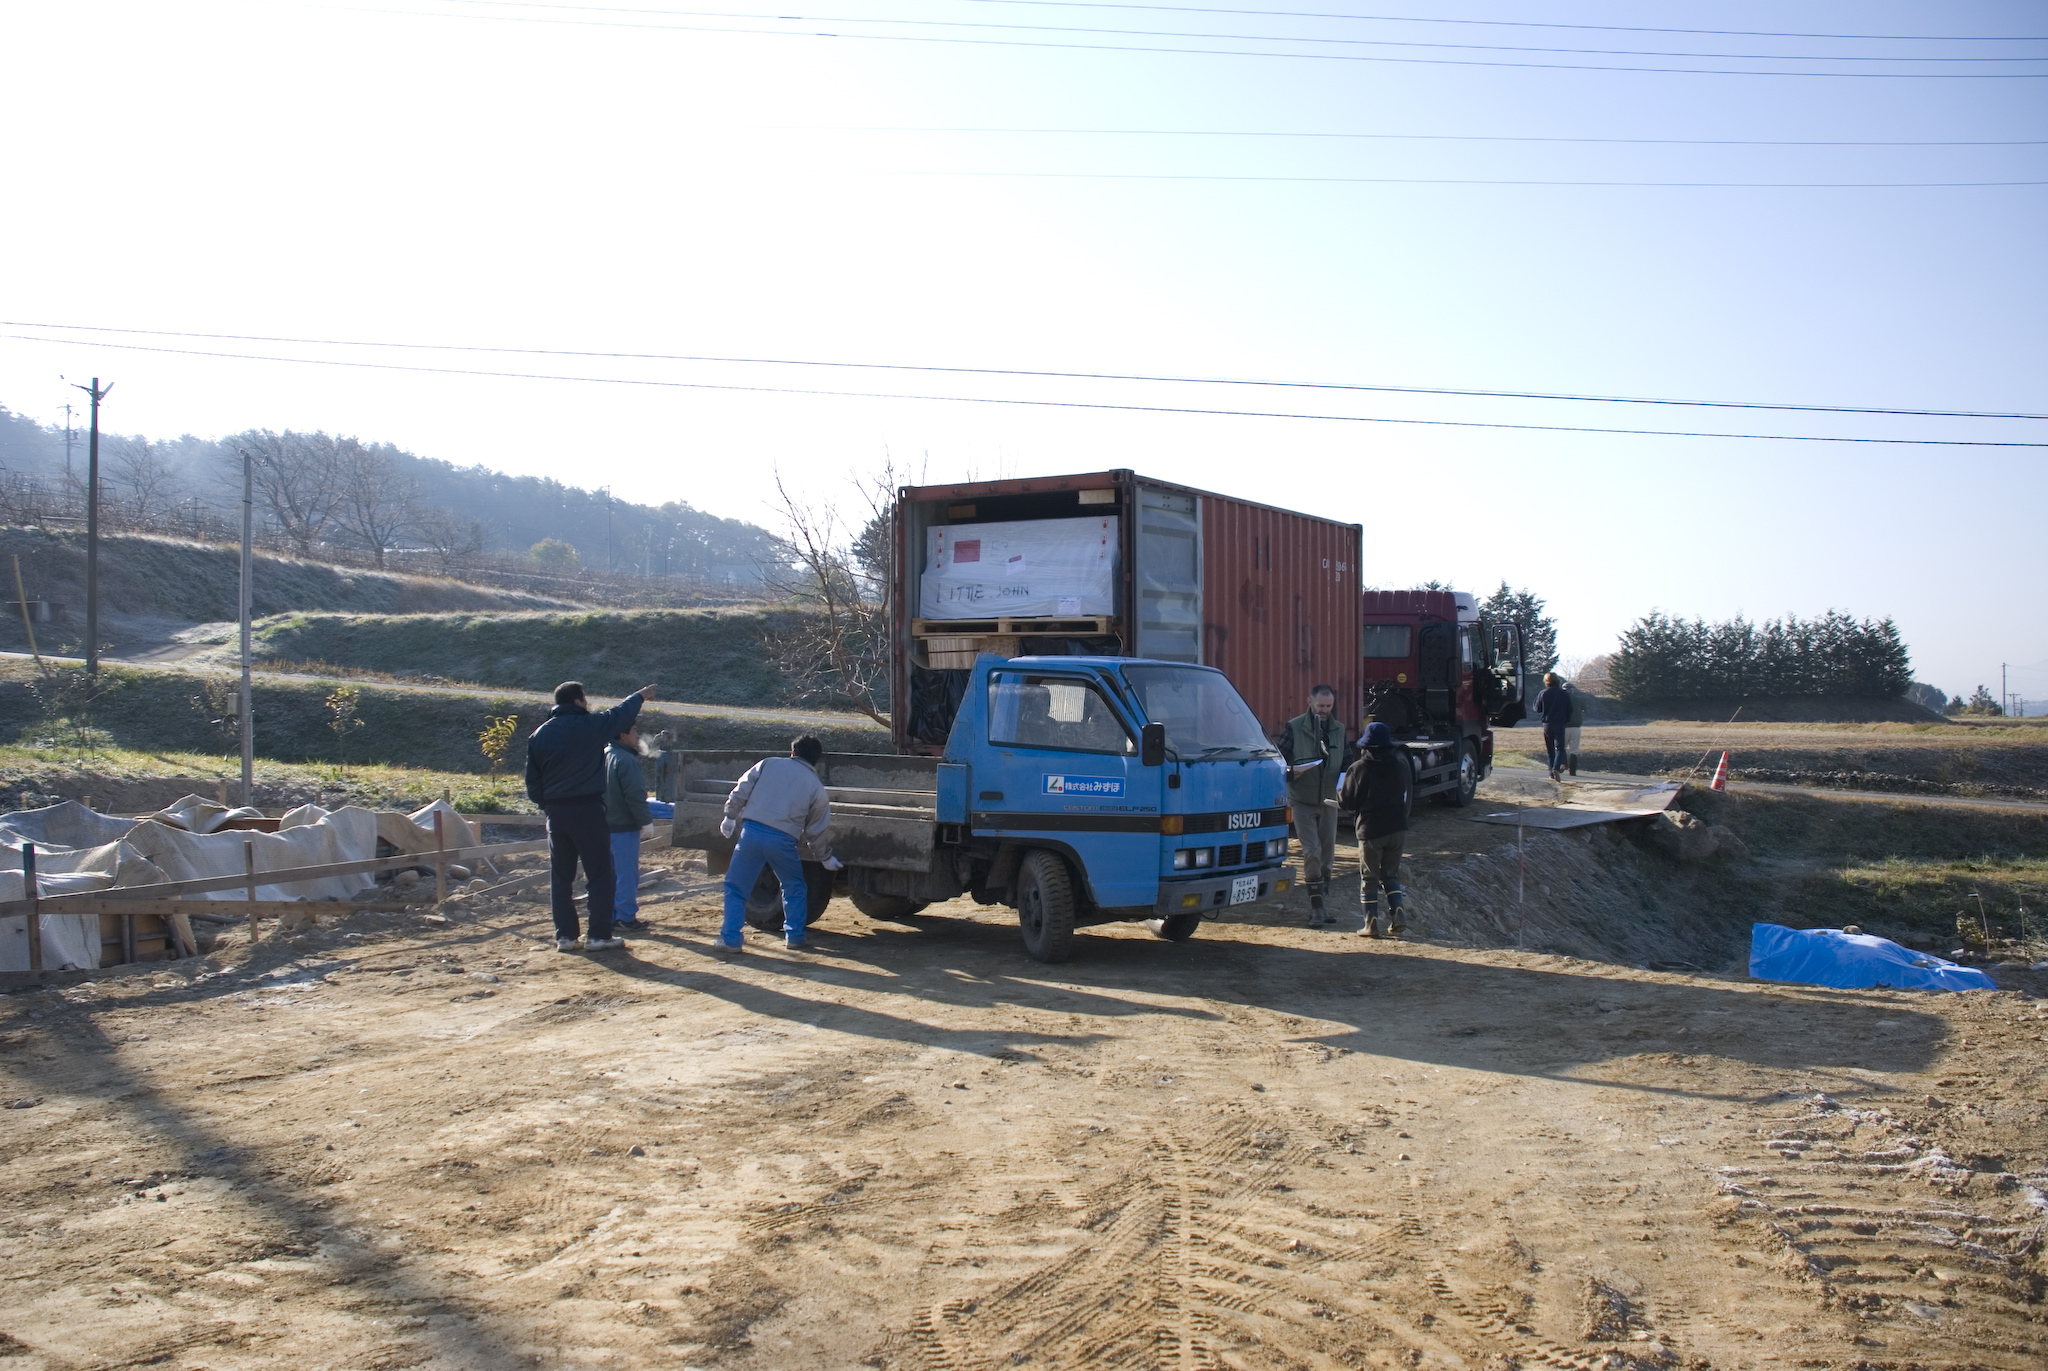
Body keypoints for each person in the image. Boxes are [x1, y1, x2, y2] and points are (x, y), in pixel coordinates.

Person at [525, 680, 656, 953]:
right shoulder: (590, 726)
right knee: (599, 874)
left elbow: (533, 785)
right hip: (588, 809)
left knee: (561, 876)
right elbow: (620, 714)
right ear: (578, 701)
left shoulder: (539, 735)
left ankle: (565, 936)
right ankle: (598, 935)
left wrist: (549, 806)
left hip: (557, 813)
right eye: (585, 699)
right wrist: (640, 696)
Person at [719, 735, 843, 951]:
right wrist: (825, 857)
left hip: (751, 834)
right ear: (815, 760)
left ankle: (730, 940)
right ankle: (794, 937)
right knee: (794, 887)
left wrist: (730, 815)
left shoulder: (768, 764)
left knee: (736, 887)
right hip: (783, 841)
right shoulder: (816, 787)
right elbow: (816, 830)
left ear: (793, 752)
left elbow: (742, 788)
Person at [1275, 684, 1352, 928]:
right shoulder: (1294, 727)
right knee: (1311, 851)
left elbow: (1347, 764)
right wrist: (1290, 772)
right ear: (1310, 701)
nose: (1324, 710)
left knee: (1327, 854)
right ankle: (1316, 909)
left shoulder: (1339, 730)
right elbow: (1278, 760)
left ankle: (1322, 904)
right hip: (1302, 799)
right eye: (1320, 705)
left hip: (1329, 800)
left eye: (1329, 706)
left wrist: (1344, 788)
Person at [1341, 722, 1413, 938]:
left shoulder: (1358, 768)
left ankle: (1370, 924)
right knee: (1390, 875)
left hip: (1371, 830)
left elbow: (1347, 802)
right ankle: (1398, 915)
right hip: (1397, 827)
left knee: (1369, 878)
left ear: (1366, 747)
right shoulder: (1399, 766)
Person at [605, 722, 654, 932]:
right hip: (624, 827)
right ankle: (625, 917)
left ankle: (609, 915)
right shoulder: (626, 760)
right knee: (626, 874)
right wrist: (645, 821)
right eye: (633, 731)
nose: (637, 735)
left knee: (609, 874)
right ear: (623, 735)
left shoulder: (604, 755)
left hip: (604, 825)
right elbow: (634, 795)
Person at [1532, 671, 1573, 782]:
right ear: (1557, 681)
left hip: (1547, 724)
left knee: (1550, 750)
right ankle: (1556, 767)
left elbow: (1537, 708)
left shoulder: (1543, 693)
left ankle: (1551, 773)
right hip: (1559, 723)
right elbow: (1570, 709)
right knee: (1560, 748)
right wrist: (1566, 720)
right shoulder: (1564, 694)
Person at [1564, 676, 1586, 777]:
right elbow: (1584, 709)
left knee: (1560, 748)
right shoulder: (1579, 699)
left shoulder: (1561, 700)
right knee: (1574, 750)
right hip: (1576, 727)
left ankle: (1562, 765)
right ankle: (1572, 771)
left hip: (1564, 727)